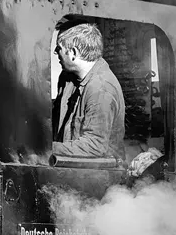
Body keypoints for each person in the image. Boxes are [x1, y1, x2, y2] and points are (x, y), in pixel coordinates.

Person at [52, 22, 125, 160]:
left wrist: (47, 148)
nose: (56, 52)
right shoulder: (68, 78)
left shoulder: (101, 89)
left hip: (99, 174)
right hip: (71, 163)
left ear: (73, 53)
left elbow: (94, 145)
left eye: (59, 48)